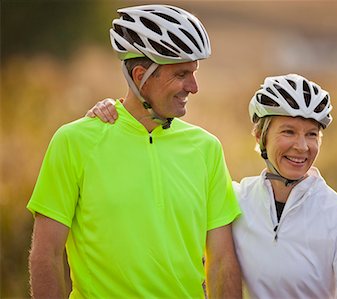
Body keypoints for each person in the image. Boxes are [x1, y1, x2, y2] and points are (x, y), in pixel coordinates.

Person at [89, 73, 337, 298]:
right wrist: (118, 115)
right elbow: (155, 201)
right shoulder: (235, 200)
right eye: (288, 132)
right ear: (261, 136)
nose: (301, 147)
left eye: (312, 135)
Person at [27, 4, 242, 298]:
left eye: (194, 73)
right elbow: (47, 256)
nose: (193, 87)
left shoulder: (207, 149)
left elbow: (221, 262)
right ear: (141, 75)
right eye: (181, 74)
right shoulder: (74, 142)